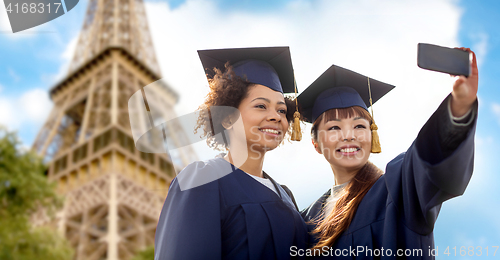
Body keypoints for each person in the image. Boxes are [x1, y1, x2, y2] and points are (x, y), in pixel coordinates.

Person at [298, 48, 478, 259]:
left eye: (359, 126)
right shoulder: (307, 217)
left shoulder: (398, 187)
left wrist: (460, 106)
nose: (349, 136)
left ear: (372, 134)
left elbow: (427, 159)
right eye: (334, 128)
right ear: (316, 144)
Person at [154, 47, 309, 259]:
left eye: (281, 110)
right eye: (261, 106)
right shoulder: (203, 180)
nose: (275, 116)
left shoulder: (285, 194)